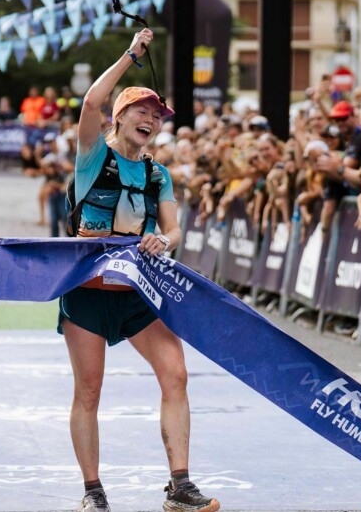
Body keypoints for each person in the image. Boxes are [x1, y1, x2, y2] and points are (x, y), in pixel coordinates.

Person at [63, 28, 219, 512]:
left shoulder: (157, 173)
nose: (150, 119)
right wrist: (132, 55)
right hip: (87, 290)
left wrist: (162, 240)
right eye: (141, 111)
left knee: (176, 373)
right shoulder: (93, 157)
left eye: (157, 115)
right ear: (120, 116)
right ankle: (93, 492)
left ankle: (180, 486)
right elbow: (90, 103)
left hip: (137, 292)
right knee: (89, 390)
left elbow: (174, 232)